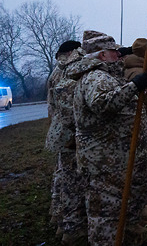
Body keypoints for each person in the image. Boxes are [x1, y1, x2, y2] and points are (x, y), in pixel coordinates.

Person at [69, 30, 147, 244]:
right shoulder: (96, 78)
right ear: (102, 55)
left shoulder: (107, 77)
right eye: (114, 52)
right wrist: (134, 86)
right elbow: (103, 104)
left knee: (119, 217)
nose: (119, 55)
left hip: (115, 162)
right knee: (106, 220)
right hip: (105, 165)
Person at [45, 40, 85, 244]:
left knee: (62, 177)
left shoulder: (56, 71)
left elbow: (50, 107)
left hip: (59, 132)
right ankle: (71, 226)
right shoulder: (68, 70)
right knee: (71, 182)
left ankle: (60, 217)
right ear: (71, 52)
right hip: (69, 134)